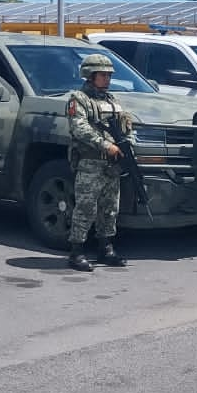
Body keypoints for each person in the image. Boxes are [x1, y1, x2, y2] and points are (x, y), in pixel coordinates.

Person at [65, 53, 134, 270]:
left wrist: (127, 143)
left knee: (110, 208)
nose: (107, 79)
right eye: (102, 75)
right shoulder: (78, 99)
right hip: (91, 162)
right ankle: (76, 251)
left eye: (108, 75)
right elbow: (80, 128)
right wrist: (106, 145)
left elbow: (126, 126)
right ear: (90, 75)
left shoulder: (112, 101)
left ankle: (106, 248)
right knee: (85, 208)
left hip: (112, 165)